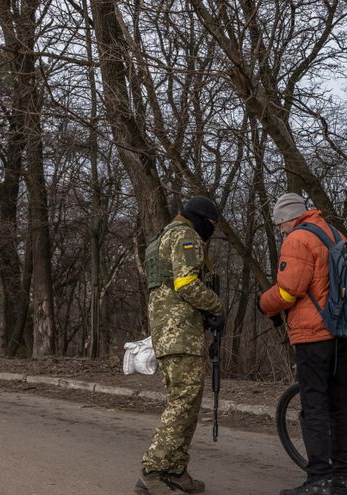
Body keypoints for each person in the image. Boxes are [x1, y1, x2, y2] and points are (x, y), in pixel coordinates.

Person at [259, 193, 347, 495]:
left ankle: (319, 480)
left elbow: (289, 290)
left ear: (288, 218)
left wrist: (264, 303)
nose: (281, 231)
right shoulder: (333, 233)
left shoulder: (298, 239)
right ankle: (343, 479)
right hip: (340, 331)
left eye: (280, 226)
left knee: (314, 406)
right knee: (340, 406)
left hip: (313, 334)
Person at [135, 196, 225, 495]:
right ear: (201, 218)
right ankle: (153, 470)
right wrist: (216, 306)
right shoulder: (185, 236)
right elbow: (186, 284)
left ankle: (175, 469)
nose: (211, 229)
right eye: (211, 224)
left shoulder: (162, 237)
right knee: (182, 403)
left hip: (167, 332)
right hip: (180, 333)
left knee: (186, 404)